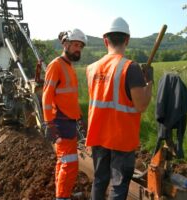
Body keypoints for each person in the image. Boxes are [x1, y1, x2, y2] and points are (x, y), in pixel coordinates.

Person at [85, 17, 153, 199]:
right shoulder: (130, 68)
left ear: (105, 40)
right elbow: (141, 105)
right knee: (119, 186)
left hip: (98, 135)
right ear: (127, 40)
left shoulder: (91, 68)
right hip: (121, 138)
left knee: (99, 180)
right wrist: (149, 82)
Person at [42, 28, 87, 200]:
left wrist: (79, 118)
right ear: (66, 44)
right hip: (60, 123)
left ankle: (62, 195)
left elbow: (69, 98)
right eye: (75, 45)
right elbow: (46, 97)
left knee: (64, 162)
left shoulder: (68, 67)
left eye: (80, 47)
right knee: (70, 164)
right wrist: (49, 124)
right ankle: (62, 197)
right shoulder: (56, 65)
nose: (78, 49)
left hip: (69, 122)